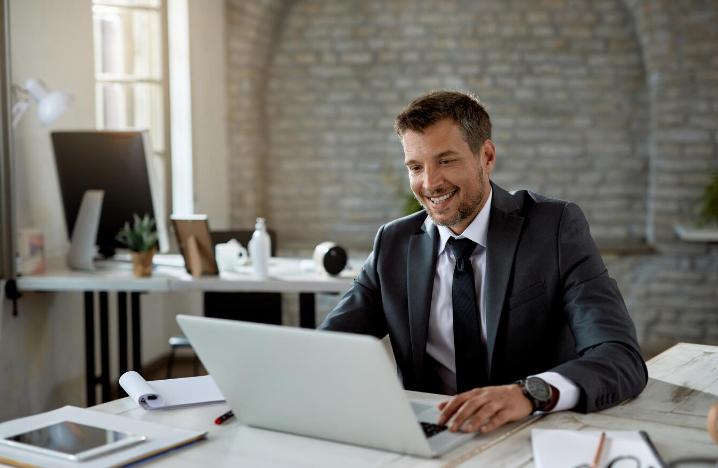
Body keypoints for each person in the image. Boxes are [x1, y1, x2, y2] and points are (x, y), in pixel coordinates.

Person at [319, 90, 647, 434]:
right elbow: (327, 349)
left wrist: (529, 393)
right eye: (416, 167)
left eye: (446, 161)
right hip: (430, 438)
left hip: (529, 431)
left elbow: (620, 358)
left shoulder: (554, 228)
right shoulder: (393, 243)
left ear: (486, 156)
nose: (430, 183)